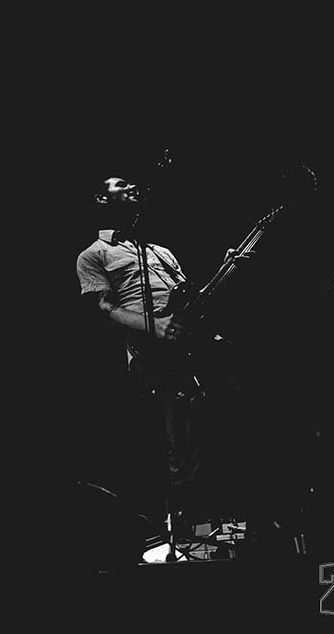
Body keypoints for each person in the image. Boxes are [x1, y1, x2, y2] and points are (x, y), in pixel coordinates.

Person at [75, 175, 227, 533]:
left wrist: (224, 270)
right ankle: (188, 527)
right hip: (150, 351)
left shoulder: (161, 251)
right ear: (101, 198)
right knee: (180, 436)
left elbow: (187, 298)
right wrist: (153, 325)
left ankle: (227, 520)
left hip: (191, 342)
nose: (132, 186)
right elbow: (103, 308)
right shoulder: (93, 255)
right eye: (120, 184)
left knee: (220, 421)